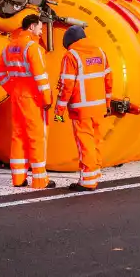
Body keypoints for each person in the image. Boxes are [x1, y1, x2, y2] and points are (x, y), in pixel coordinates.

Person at [0, 13, 55, 189]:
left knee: (18, 136)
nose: (41, 32)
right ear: (32, 27)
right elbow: (40, 77)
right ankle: (40, 180)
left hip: (17, 98)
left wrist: (11, 89)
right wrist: (47, 98)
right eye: (40, 28)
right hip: (33, 99)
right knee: (37, 138)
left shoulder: (10, 47)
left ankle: (18, 179)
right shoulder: (32, 48)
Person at [52, 25, 113, 192]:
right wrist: (107, 104)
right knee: (96, 142)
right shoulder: (100, 52)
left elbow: (67, 85)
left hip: (81, 110)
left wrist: (59, 111)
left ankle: (87, 181)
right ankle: (94, 175)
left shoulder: (71, 55)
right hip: (99, 108)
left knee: (85, 144)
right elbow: (108, 80)